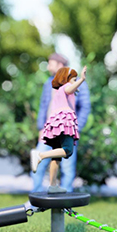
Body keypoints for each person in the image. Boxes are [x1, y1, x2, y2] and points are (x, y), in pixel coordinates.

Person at [32, 53, 91, 192]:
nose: (48, 67)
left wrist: (78, 127)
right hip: (54, 128)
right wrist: (41, 127)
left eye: (50, 63)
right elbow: (44, 105)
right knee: (63, 154)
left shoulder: (64, 83)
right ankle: (37, 197)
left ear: (60, 65)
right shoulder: (55, 84)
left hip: (66, 127)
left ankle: (58, 194)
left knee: (61, 163)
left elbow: (85, 107)